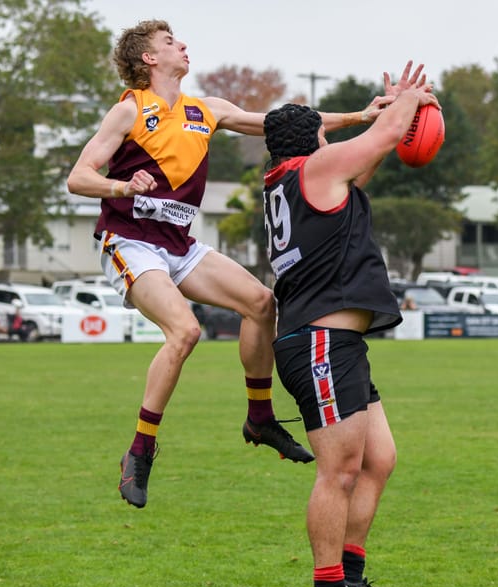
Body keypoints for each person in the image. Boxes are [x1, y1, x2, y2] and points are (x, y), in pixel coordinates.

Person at [66, 19, 386, 509]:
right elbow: (78, 177)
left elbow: (287, 123)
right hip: (130, 241)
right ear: (148, 58)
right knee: (185, 331)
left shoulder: (207, 110)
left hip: (178, 245)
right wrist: (121, 186)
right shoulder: (129, 110)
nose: (183, 45)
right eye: (170, 42)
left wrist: (361, 116)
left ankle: (259, 417)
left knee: (261, 303)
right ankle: (141, 449)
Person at [262, 62, 438, 587]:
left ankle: (353, 579)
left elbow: (367, 160)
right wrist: (410, 101)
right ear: (313, 139)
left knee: (378, 460)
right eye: (324, 131)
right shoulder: (312, 169)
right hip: (319, 342)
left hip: (335, 344)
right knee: (338, 472)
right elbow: (382, 138)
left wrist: (394, 114)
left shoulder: (301, 178)